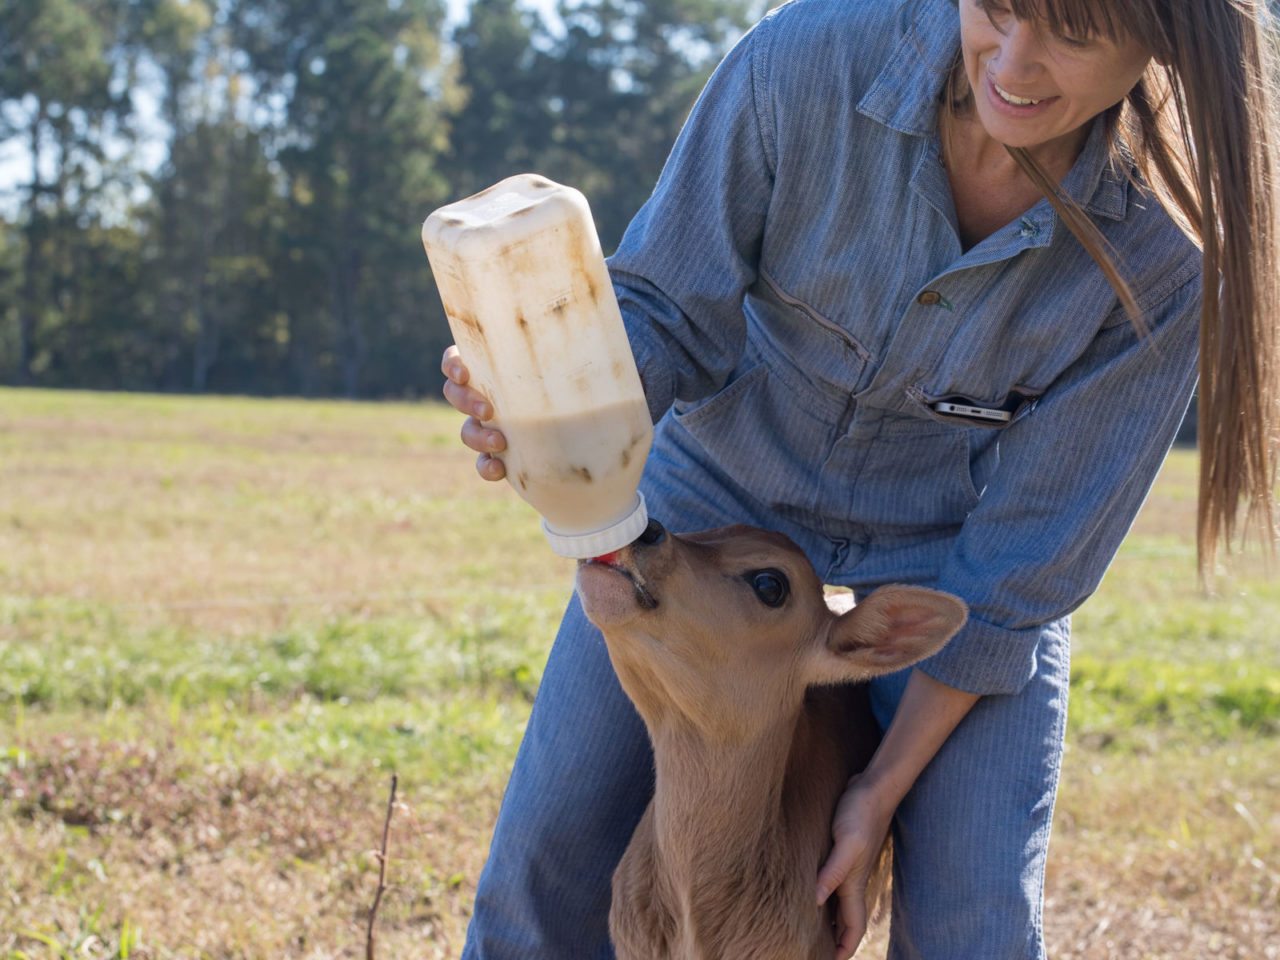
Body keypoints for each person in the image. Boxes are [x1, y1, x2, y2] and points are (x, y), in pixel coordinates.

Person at [441, 0, 1280, 956]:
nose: (1014, 60)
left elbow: (1023, 561)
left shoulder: (1170, 243)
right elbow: (667, 305)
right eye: (997, 7)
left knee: (976, 916)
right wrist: (547, 397)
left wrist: (876, 793)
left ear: (1160, 46)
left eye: (1075, 33)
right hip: (714, 505)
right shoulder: (807, 59)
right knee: (547, 866)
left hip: (949, 559)